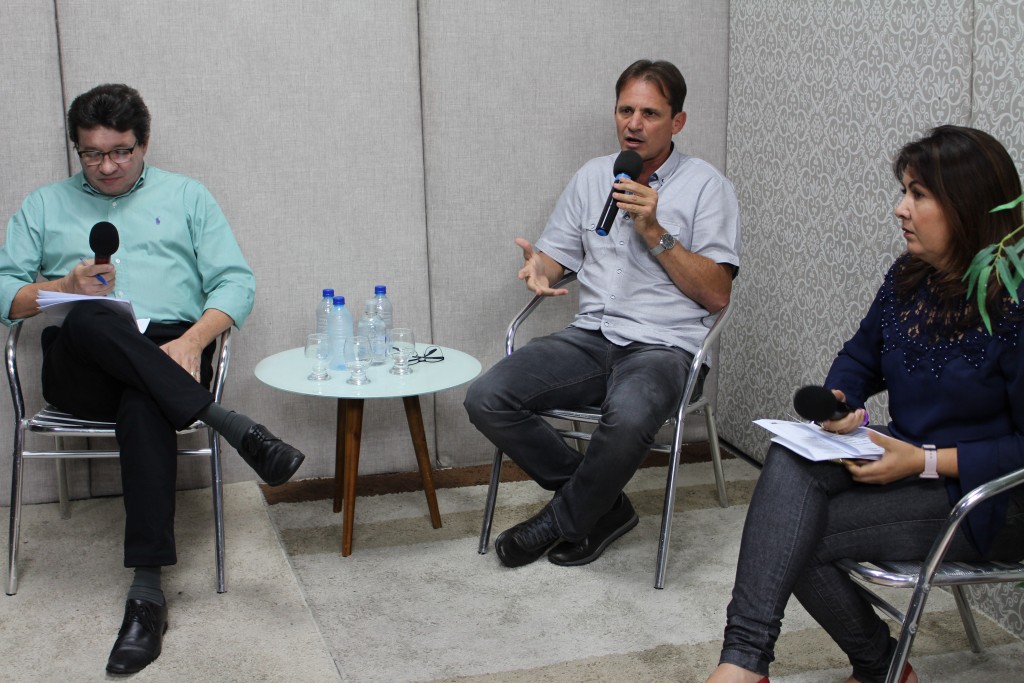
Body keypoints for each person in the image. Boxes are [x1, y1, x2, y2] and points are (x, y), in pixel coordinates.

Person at [0, 84, 306, 675]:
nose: (107, 166)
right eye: (92, 154)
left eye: (121, 151)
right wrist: (61, 288)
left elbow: (236, 283)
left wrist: (191, 342)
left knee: (145, 399)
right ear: (77, 149)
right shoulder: (43, 205)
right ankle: (231, 425)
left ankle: (146, 596)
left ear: (144, 143)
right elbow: (3, 295)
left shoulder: (187, 196)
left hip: (172, 349)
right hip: (81, 359)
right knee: (90, 314)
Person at [705, 125, 1024, 683]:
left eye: (918, 194)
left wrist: (923, 461)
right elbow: (860, 355)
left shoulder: (1014, 305)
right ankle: (745, 662)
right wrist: (841, 402)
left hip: (988, 499)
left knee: (794, 538)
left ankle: (876, 667)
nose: (901, 209)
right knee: (790, 458)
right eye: (904, 192)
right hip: (907, 457)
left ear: (967, 205)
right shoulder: (909, 278)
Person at [464, 59, 741, 569]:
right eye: (625, 110)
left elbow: (717, 294)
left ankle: (560, 520)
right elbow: (556, 256)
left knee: (629, 415)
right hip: (591, 337)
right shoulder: (593, 176)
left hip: (665, 347)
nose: (634, 123)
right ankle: (603, 506)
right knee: (487, 397)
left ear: (677, 121)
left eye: (650, 113)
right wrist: (539, 268)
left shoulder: (708, 187)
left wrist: (654, 230)